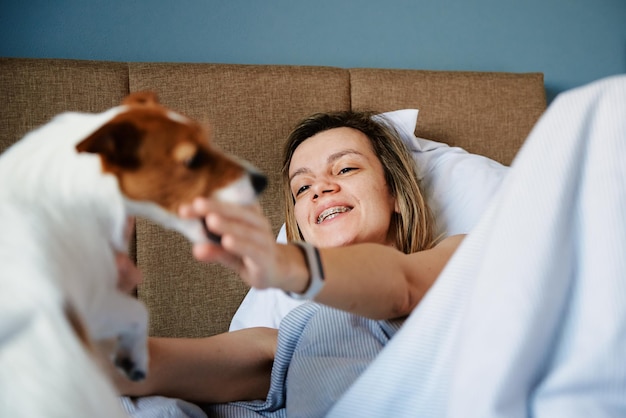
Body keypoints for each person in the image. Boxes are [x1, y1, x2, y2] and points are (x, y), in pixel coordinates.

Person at [114, 110, 465, 416]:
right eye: (302, 188)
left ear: (396, 195)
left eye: (345, 168)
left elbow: (401, 285)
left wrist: (289, 264)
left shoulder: (462, 253)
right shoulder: (289, 332)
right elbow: (160, 365)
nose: (319, 189)